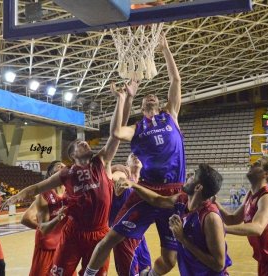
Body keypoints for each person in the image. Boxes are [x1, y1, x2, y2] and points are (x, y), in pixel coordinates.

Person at [6, 81, 135, 276]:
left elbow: (116, 134)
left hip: (99, 232)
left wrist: (122, 99)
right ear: (72, 155)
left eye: (84, 141)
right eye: (79, 143)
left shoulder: (101, 161)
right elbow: (37, 187)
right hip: (73, 233)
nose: (84, 142)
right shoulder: (66, 173)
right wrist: (18, 196)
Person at [85, 34, 184, 276]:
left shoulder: (171, 116)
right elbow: (116, 131)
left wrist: (165, 49)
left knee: (170, 259)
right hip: (147, 191)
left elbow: (176, 80)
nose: (150, 97)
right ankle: (88, 274)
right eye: (145, 98)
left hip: (174, 192)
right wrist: (122, 99)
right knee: (112, 238)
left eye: (154, 97)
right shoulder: (138, 128)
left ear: (160, 105)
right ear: (141, 108)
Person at [116, 163, 231, 275]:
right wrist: (134, 185)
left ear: (198, 187)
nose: (188, 176)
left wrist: (183, 239)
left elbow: (218, 264)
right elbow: (158, 200)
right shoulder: (183, 200)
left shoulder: (210, 217)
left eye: (193, 176)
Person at [216, 157, 268, 276]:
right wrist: (214, 201)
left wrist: (220, 229)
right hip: (264, 262)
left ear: (266, 173)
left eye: (258, 163)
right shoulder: (250, 194)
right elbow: (231, 219)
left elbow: (257, 228)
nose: (252, 164)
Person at [20, 160, 70, 276]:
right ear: (50, 173)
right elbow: (25, 218)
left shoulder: (71, 192)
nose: (62, 167)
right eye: (59, 166)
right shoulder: (44, 194)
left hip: (64, 245)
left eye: (64, 166)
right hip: (47, 245)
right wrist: (43, 228)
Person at [110, 154, 151, 276]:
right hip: (123, 236)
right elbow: (115, 178)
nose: (136, 156)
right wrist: (117, 180)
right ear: (127, 164)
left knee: (147, 272)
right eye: (132, 155)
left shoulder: (144, 184)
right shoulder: (123, 173)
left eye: (139, 155)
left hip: (139, 236)